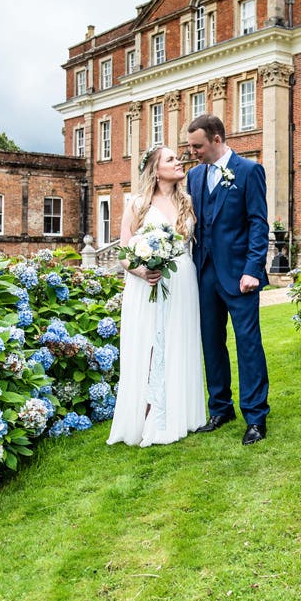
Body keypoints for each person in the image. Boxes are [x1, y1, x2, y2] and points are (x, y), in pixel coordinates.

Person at [106, 145, 207, 447]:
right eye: (171, 159)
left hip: (183, 279)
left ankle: (178, 413)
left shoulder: (186, 201)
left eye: (178, 158)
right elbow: (123, 250)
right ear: (155, 168)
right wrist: (140, 271)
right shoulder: (137, 203)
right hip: (147, 282)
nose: (179, 162)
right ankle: (146, 413)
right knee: (149, 344)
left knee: (177, 342)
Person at [186, 114, 271, 445]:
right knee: (211, 342)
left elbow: (258, 223)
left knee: (248, 344)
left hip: (239, 275)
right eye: (191, 146)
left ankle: (255, 416)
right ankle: (220, 408)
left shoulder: (249, 171)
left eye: (198, 146)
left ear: (217, 140)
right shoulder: (194, 176)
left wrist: (253, 268)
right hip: (204, 272)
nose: (193, 151)